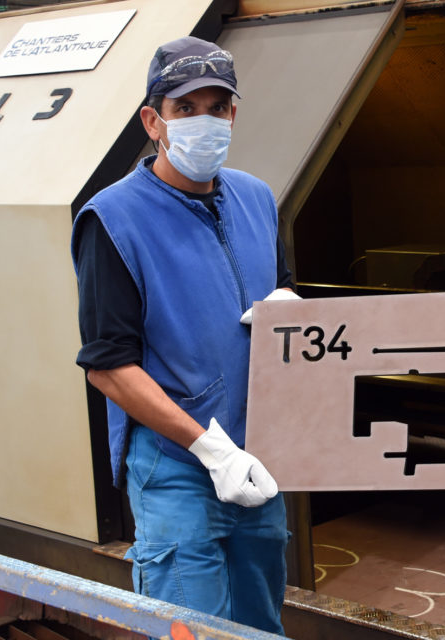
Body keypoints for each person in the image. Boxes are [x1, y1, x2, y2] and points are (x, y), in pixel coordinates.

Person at [70, 36, 298, 633]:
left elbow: (283, 293)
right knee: (191, 629)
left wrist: (288, 307)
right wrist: (207, 448)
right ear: (154, 121)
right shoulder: (114, 219)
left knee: (259, 624)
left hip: (256, 460)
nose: (205, 121)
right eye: (185, 108)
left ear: (234, 113)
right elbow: (109, 365)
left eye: (217, 107)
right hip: (177, 468)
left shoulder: (256, 199)